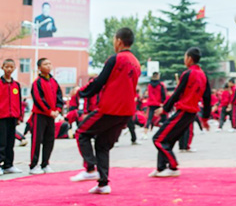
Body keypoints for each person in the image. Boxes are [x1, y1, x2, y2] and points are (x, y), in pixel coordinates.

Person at [70, 28, 141, 194]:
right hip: (126, 111)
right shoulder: (136, 62)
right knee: (102, 144)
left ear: (118, 41)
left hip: (111, 108)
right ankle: (103, 183)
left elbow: (99, 81)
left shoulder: (116, 59)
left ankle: (89, 169)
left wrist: (81, 92)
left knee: (82, 132)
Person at [150, 47, 211, 177]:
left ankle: (173, 167)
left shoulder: (188, 73)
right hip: (191, 113)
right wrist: (205, 118)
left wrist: (164, 109)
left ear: (189, 58)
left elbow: (177, 94)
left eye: (185, 57)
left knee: (158, 139)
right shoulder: (203, 76)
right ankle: (161, 168)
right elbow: (207, 98)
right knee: (168, 140)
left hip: (184, 110)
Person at [29, 57, 64, 174]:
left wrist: (58, 109)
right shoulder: (37, 82)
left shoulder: (54, 82)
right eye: (45, 64)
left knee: (49, 139)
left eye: (49, 63)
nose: (48, 66)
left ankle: (45, 163)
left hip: (52, 115)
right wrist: (49, 111)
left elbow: (59, 96)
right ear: (39, 68)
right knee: (37, 140)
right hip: (40, 115)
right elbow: (38, 99)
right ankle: (33, 165)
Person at [0, 59, 23, 175]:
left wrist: (19, 117)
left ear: (14, 68)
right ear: (2, 68)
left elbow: (19, 101)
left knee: (10, 142)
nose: (9, 69)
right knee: (1, 142)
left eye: (11, 67)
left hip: (13, 117)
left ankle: (9, 165)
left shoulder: (16, 85)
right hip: (1, 117)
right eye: (6, 67)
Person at [143, 72, 167, 138]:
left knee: (149, 119)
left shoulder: (149, 85)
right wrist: (163, 102)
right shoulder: (161, 85)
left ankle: (145, 133)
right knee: (164, 117)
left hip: (151, 103)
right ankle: (166, 132)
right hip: (159, 103)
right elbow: (163, 95)